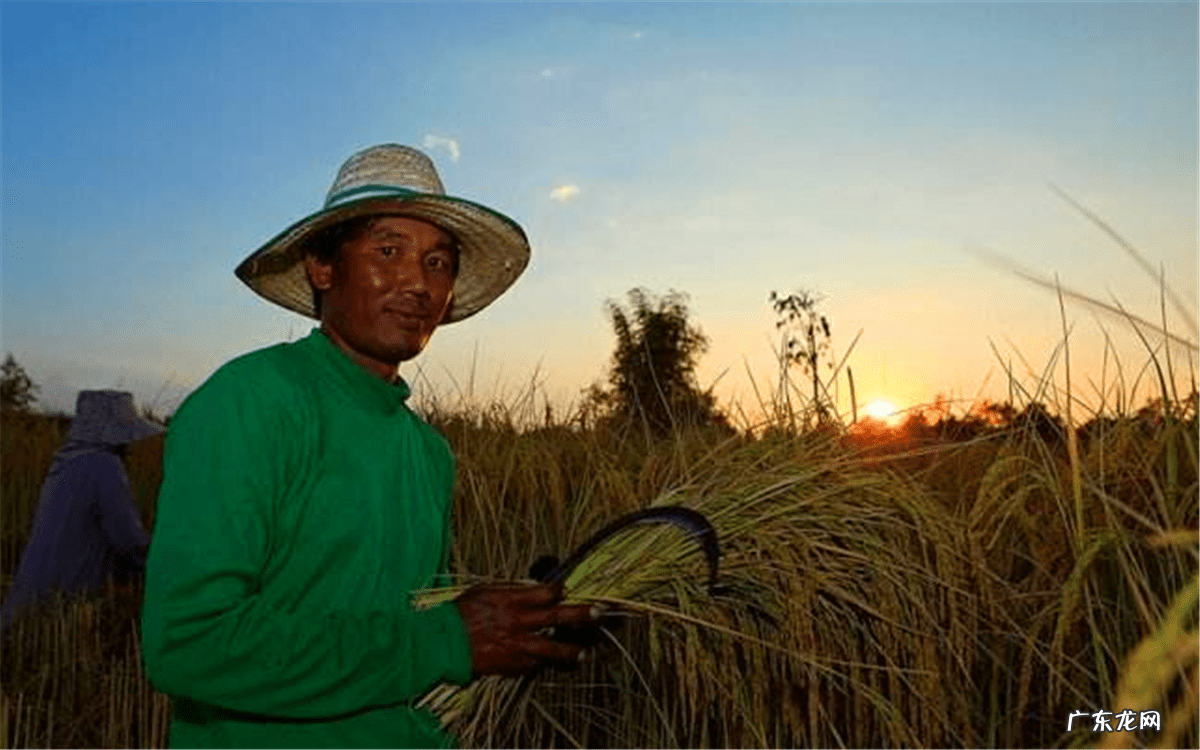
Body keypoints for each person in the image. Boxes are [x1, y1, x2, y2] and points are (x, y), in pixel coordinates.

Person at [140, 144, 601, 748]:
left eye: (438, 263)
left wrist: (521, 624)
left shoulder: (428, 453)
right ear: (322, 267)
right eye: (389, 252)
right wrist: (445, 641)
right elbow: (188, 644)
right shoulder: (250, 403)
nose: (417, 282)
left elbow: (398, 621)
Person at [2, 390, 162, 628]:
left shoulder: (65, 461)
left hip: (25, 601)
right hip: (56, 605)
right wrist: (161, 567)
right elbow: (127, 539)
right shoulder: (104, 465)